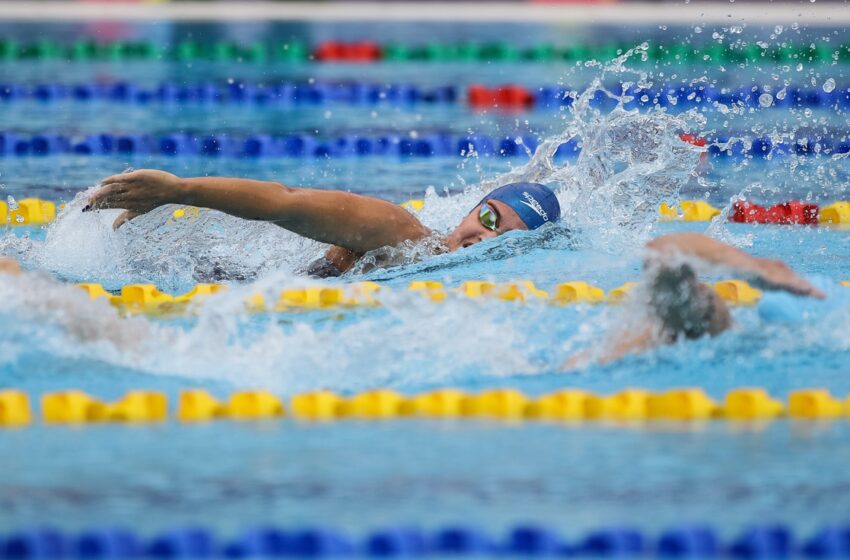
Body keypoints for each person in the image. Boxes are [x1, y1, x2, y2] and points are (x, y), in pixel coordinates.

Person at [84, 169, 561, 277]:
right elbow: (285, 202)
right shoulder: (400, 236)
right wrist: (180, 191)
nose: (484, 235)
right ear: (473, 208)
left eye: (504, 237)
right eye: (489, 216)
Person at [566, 232, 826, 367]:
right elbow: (662, 251)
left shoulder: (610, 353)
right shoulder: (772, 343)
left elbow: (661, 253)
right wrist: (755, 267)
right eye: (703, 291)